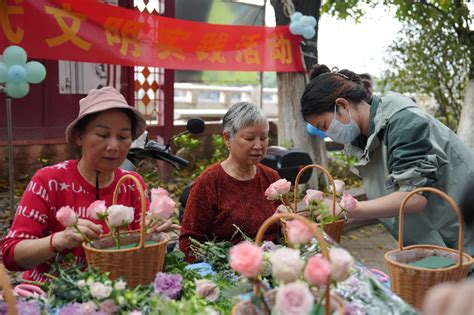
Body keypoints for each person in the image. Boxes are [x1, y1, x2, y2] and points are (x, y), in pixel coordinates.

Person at [300, 64, 474, 263]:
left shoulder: (404, 124)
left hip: (463, 235)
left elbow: (414, 197)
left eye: (324, 126)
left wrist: (345, 207)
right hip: (439, 241)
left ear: (343, 105)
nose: (327, 134)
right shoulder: (365, 137)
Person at [1, 86, 176, 283]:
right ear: (79, 136)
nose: (113, 146)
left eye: (123, 137)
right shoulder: (49, 181)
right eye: (102, 134)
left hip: (116, 294)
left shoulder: (131, 185)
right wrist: (58, 240)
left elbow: (135, 250)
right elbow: (10, 255)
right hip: (52, 295)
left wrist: (151, 235)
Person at [179, 102, 281, 262]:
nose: (258, 145)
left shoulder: (272, 177)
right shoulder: (210, 182)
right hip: (226, 273)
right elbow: (188, 243)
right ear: (227, 138)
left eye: (263, 138)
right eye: (249, 138)